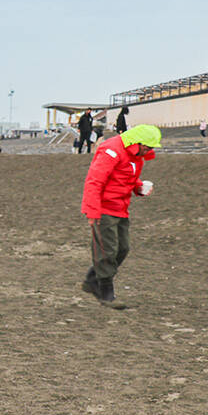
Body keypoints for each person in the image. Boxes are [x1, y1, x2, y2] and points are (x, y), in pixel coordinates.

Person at [80, 124, 161, 304]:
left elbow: (125, 176)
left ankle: (92, 279)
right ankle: (106, 293)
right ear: (136, 142)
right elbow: (94, 181)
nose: (148, 151)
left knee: (123, 248)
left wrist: (138, 187)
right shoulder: (111, 151)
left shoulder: (135, 156)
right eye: (147, 147)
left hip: (120, 207)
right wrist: (92, 212)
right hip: (104, 208)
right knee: (107, 250)